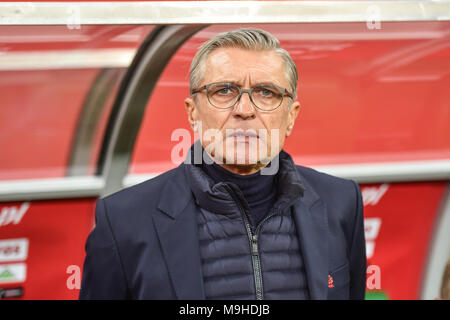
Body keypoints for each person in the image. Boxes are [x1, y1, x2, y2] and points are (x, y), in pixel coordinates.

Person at [79, 28, 367, 300]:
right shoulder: (123, 220)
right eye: (224, 91)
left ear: (291, 116)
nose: (244, 110)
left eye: (266, 92)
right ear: (193, 113)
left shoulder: (341, 202)